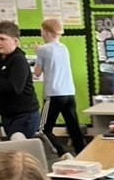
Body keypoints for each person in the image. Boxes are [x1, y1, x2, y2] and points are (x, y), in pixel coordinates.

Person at [33, 18, 85, 157]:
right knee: (73, 127)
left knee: (44, 129)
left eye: (42, 32)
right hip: (69, 92)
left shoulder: (43, 49)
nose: (41, 35)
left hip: (54, 94)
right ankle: (82, 153)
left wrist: (37, 52)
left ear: (48, 33)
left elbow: (37, 73)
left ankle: (62, 154)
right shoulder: (64, 48)